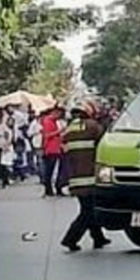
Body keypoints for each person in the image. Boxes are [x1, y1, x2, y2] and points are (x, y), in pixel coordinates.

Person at [60, 100, 110, 252]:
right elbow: (104, 148)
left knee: (88, 207)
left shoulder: (68, 130)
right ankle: (70, 239)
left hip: (75, 177)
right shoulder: (93, 127)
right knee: (88, 211)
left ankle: (98, 238)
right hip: (90, 175)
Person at [40, 107, 64, 197]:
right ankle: (48, 189)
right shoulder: (48, 121)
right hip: (51, 149)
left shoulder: (53, 121)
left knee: (52, 170)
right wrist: (59, 131)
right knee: (49, 171)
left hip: (55, 148)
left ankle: (50, 189)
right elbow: (47, 135)